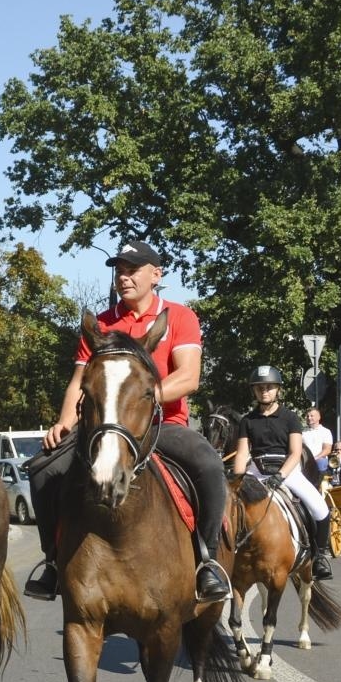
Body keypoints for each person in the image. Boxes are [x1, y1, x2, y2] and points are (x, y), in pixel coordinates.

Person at [23, 239, 230, 604]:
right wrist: (64, 422)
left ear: (156, 274)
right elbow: (79, 382)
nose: (123, 277)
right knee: (42, 468)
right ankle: (53, 562)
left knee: (209, 465)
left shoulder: (179, 317)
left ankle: (208, 561)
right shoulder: (101, 324)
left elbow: (188, 377)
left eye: (132, 269)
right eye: (119, 270)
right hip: (101, 426)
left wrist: (137, 401)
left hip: (162, 425)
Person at [231, 366, 334, 581]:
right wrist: (237, 480)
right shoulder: (247, 420)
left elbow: (296, 453)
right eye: (259, 388)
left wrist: (281, 476)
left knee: (320, 508)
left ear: (278, 389)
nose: (264, 391)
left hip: (287, 470)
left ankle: (320, 557)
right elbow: (242, 454)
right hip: (256, 471)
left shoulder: (290, 418)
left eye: (269, 387)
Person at [302, 407, 333, 473]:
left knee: (321, 462)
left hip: (319, 460)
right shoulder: (303, 432)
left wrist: (315, 458)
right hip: (305, 460)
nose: (309, 418)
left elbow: (327, 450)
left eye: (311, 416)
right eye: (307, 416)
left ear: (319, 417)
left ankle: (320, 482)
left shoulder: (326, 431)